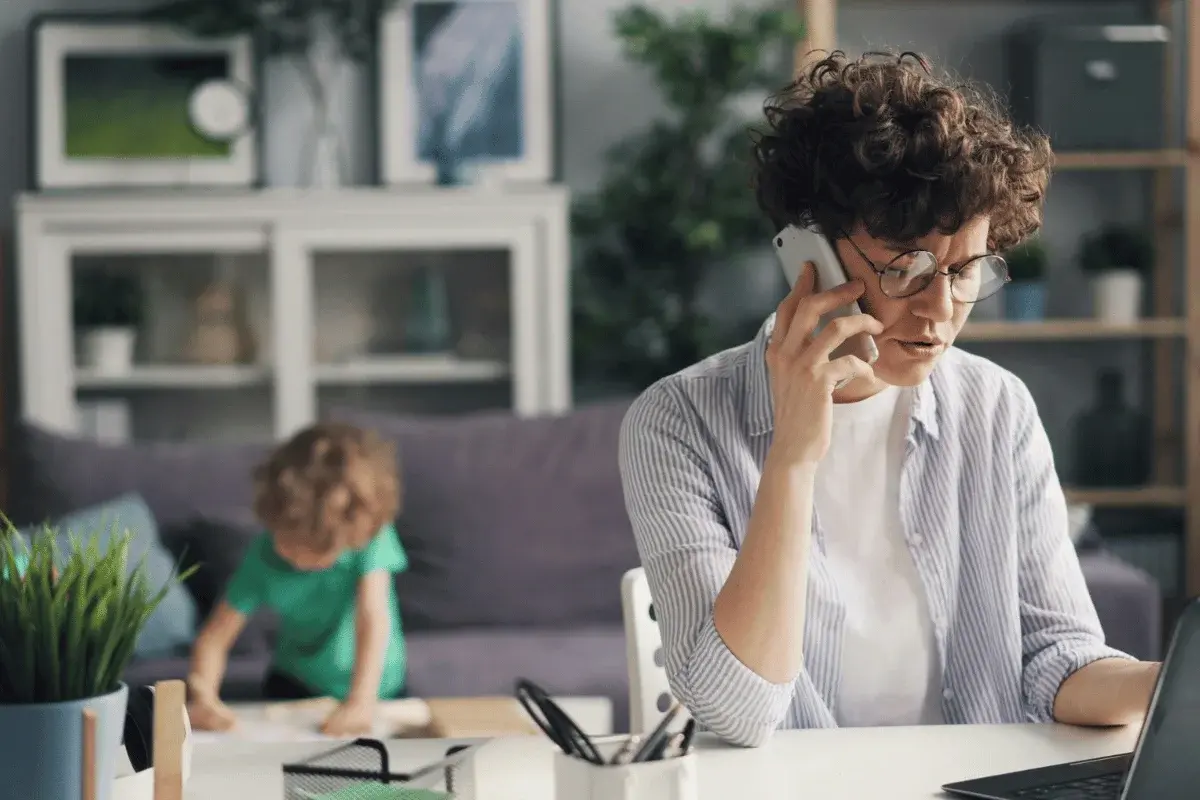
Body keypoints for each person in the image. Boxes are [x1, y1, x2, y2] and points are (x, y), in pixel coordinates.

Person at [618, 51, 1162, 748]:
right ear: (806, 253)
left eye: (965, 270)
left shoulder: (996, 408)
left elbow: (1056, 658)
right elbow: (738, 710)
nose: (942, 310)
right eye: (907, 267)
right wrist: (792, 456)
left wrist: (1168, 681)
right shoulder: (678, 423)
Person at [187, 422, 407, 737]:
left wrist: (361, 701)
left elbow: (372, 617)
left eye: (317, 550)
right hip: (296, 684)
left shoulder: (370, 536)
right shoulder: (263, 555)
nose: (298, 558)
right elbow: (214, 639)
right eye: (288, 540)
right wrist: (203, 696)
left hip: (378, 687)